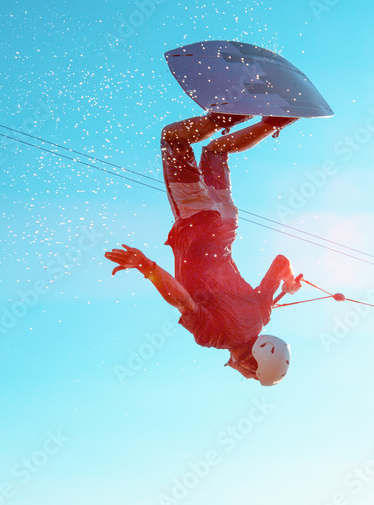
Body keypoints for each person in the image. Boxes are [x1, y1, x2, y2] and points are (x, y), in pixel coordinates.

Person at [104, 112, 302, 385]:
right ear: (249, 363)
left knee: (216, 152)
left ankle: (275, 122)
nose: (244, 374)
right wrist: (145, 266)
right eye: (251, 374)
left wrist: (289, 281)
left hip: (226, 222)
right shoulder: (215, 338)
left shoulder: (262, 315)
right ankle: (225, 116)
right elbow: (183, 302)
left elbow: (281, 261)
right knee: (174, 139)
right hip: (199, 222)